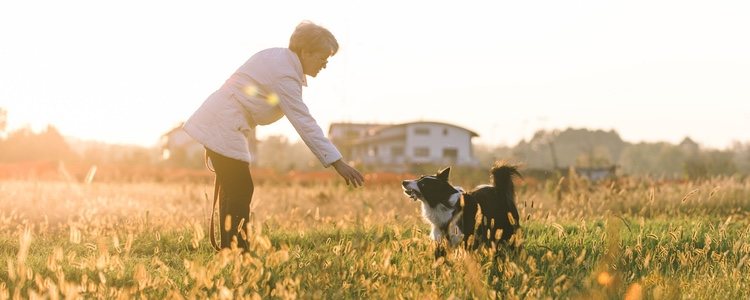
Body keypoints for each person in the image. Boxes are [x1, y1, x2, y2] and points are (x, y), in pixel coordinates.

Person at [183, 21, 364, 251]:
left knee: (235, 187)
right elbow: (303, 121)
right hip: (223, 123)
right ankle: (237, 252)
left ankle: (232, 251)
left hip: (225, 122)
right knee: (240, 187)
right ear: (306, 51)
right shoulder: (285, 75)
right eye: (323, 57)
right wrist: (338, 163)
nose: (325, 65)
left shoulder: (278, 59)